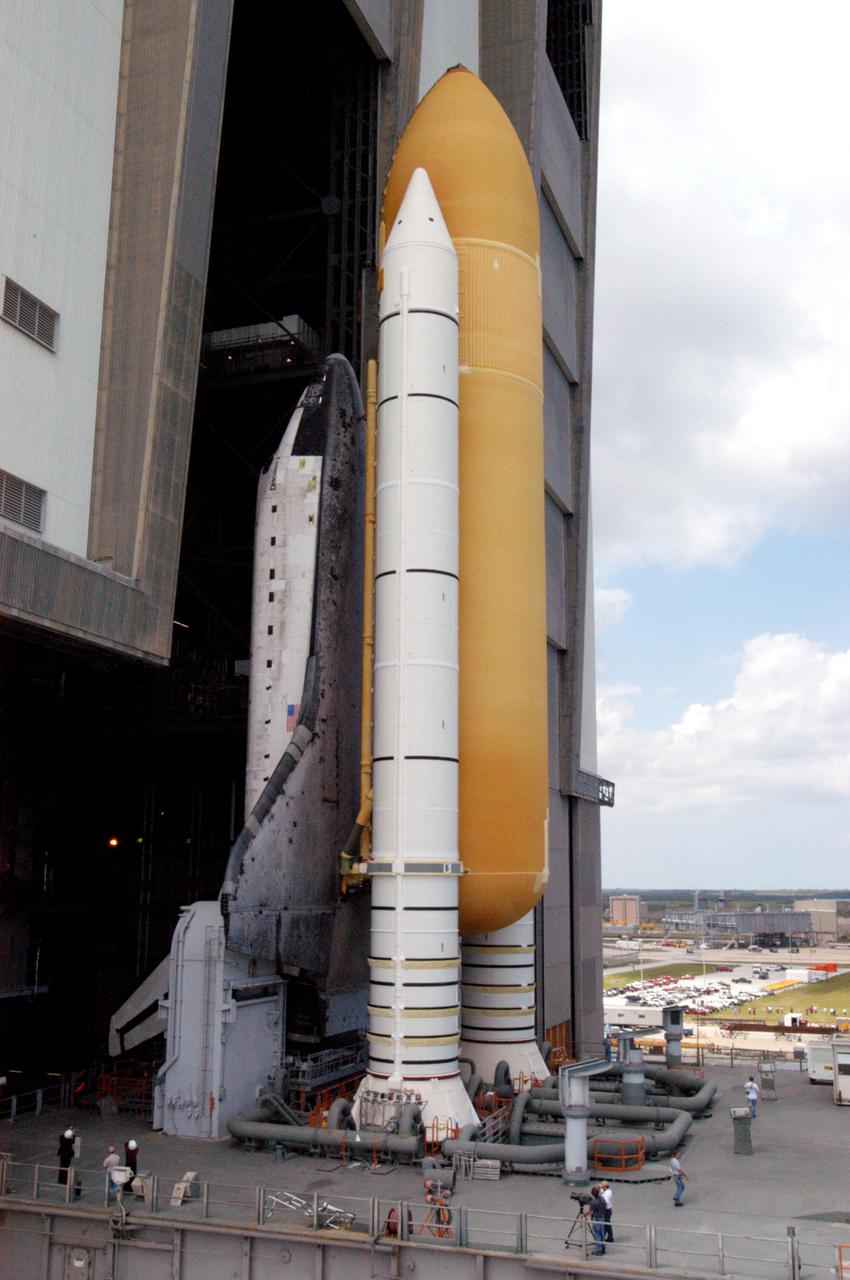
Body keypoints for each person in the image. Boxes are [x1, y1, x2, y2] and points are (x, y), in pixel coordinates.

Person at [583, 1184, 607, 1254]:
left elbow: (589, 1211)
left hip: (596, 1219)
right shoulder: (602, 1198)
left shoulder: (594, 1201)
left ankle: (599, 1250)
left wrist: (583, 1214)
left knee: (597, 1234)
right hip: (602, 1218)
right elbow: (605, 1206)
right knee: (601, 1233)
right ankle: (603, 1247)